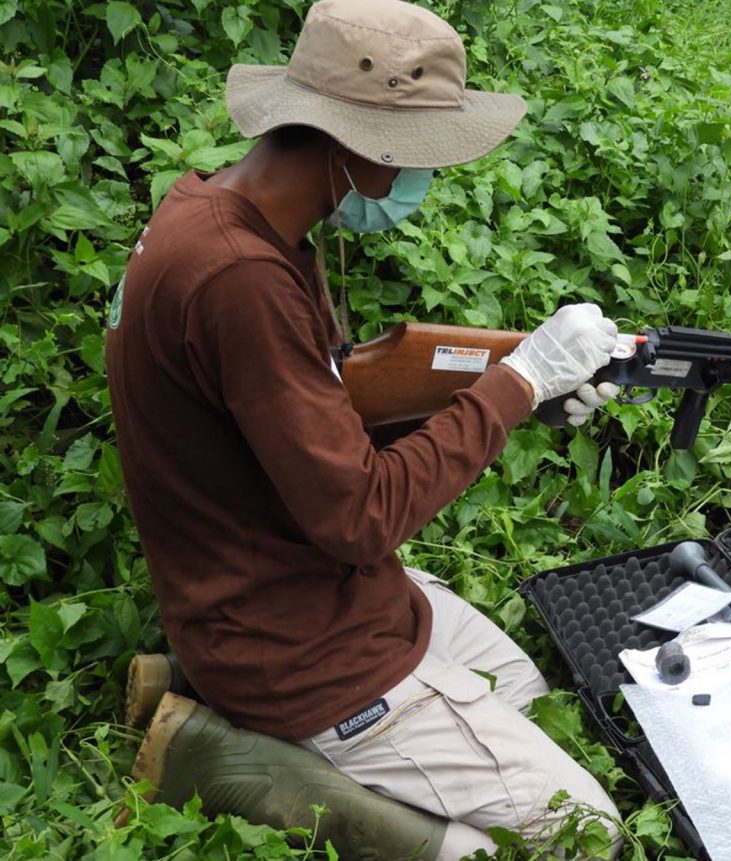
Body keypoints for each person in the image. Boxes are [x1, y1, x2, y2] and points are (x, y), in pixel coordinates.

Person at [104, 0, 621, 857]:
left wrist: (521, 396)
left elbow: (309, 435)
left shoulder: (226, 219)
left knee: (520, 686)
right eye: (418, 156)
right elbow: (360, 518)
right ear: (360, 145)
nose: (421, 176)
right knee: (585, 832)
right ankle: (242, 762)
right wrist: (518, 381)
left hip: (282, 591)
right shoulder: (241, 281)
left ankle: (198, 683)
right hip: (297, 643)